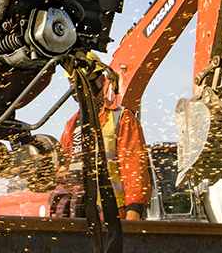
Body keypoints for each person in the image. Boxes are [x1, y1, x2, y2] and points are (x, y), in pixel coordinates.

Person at [58, 53, 152, 220]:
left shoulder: (121, 118)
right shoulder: (71, 126)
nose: (79, 87)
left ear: (101, 80)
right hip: (79, 216)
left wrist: (133, 215)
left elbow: (134, 171)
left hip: (114, 215)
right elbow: (61, 175)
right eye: (74, 82)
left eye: (85, 80)